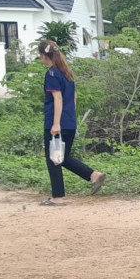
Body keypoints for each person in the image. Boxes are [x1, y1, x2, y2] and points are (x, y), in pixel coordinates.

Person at [37, 40, 105, 206]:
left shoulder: (52, 74)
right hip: (69, 122)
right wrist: (70, 119)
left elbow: (57, 98)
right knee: (62, 157)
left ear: (44, 56)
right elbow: (73, 99)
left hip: (57, 123)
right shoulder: (67, 73)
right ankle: (93, 175)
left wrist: (56, 123)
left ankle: (58, 197)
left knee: (53, 158)